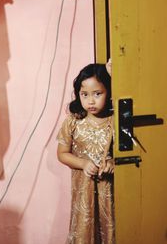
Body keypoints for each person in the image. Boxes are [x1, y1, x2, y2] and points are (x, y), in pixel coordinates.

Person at [57, 61, 114, 243]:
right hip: (83, 191)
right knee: (85, 230)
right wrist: (83, 164)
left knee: (110, 228)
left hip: (109, 192)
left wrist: (113, 164)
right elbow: (62, 153)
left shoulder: (115, 121)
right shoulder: (74, 121)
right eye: (84, 95)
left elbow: (124, 153)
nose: (90, 101)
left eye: (97, 94)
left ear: (109, 92)